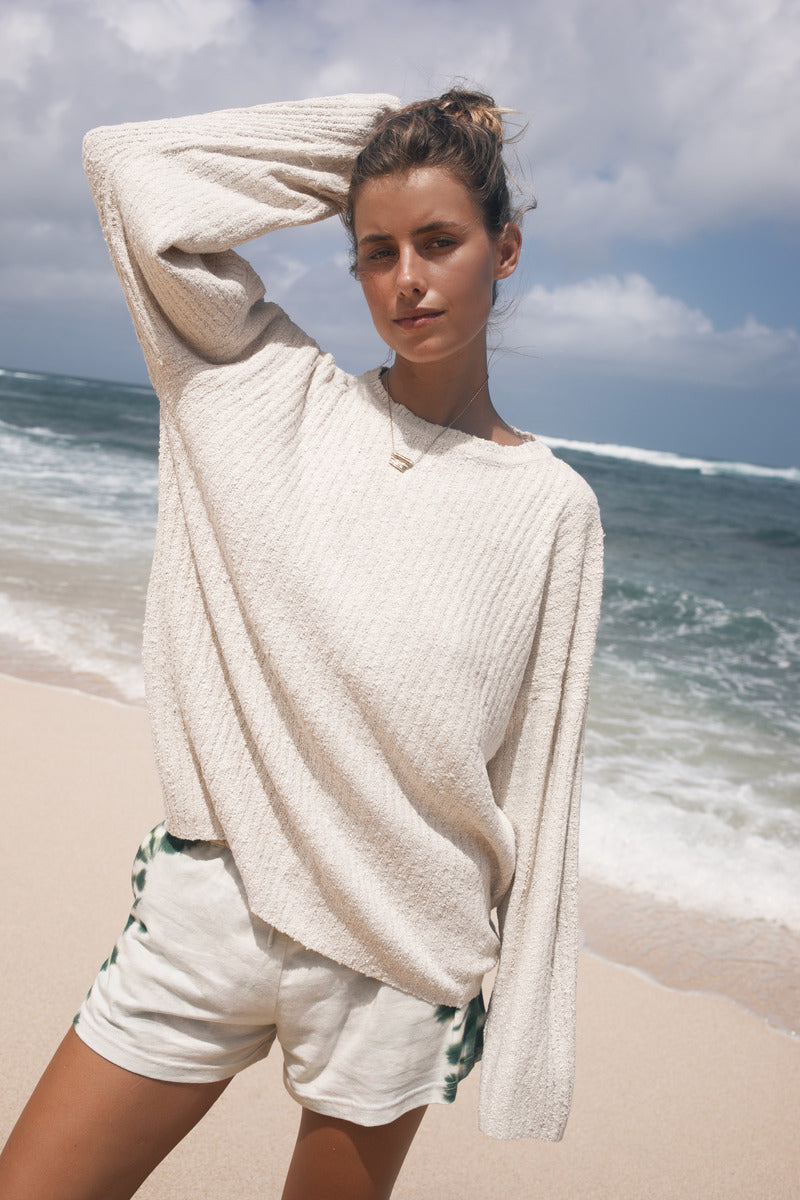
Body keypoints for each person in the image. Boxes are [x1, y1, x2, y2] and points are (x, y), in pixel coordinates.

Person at [0, 89, 604, 1200]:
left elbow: (539, 778)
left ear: (503, 247)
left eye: (439, 241)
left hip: (394, 961)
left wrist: (521, 1040)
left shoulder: (552, 508)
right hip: (215, 907)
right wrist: (401, 125)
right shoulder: (258, 392)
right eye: (375, 252)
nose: (407, 279)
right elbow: (130, 169)